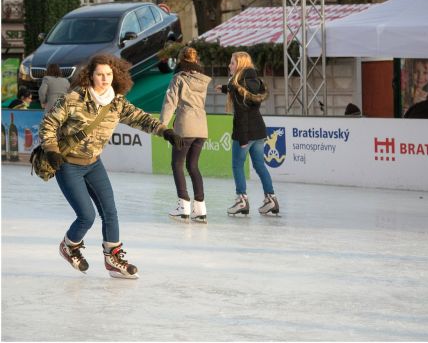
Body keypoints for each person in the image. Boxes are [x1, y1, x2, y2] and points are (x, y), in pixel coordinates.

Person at [38, 54, 183, 279]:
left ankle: (112, 259)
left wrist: (165, 131)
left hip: (93, 164)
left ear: (115, 75)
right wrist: (51, 150)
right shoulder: (74, 98)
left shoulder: (117, 102)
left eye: (108, 74)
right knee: (86, 215)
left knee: (110, 211)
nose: (105, 79)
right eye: (99, 74)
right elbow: (49, 122)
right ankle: (69, 246)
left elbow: (141, 118)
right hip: (67, 164)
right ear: (91, 76)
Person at [215, 51, 279, 216]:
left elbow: (242, 111)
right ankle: (271, 199)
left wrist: (243, 137)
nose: (229, 66)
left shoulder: (238, 86)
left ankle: (241, 200)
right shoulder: (255, 82)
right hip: (259, 130)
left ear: (240, 65)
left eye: (232, 63)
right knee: (259, 165)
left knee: (237, 165)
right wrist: (224, 88)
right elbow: (239, 91)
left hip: (245, 132)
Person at [159, 47, 211, 223]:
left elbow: (170, 102)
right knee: (193, 166)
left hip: (185, 126)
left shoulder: (179, 78)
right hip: (201, 127)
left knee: (177, 164)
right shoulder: (203, 80)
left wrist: (162, 125)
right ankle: (200, 208)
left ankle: (183, 204)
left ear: (181, 60)